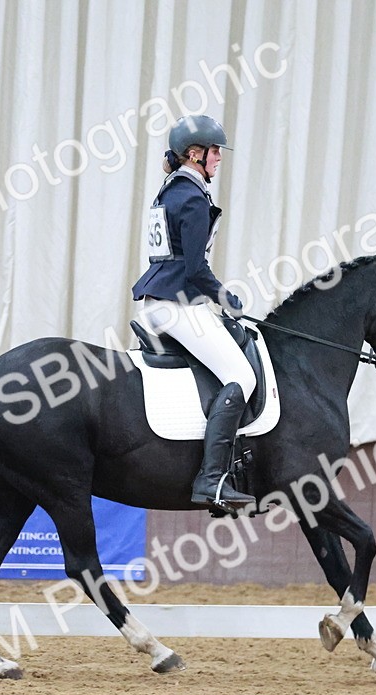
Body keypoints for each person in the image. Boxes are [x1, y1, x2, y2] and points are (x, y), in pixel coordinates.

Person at [131, 114, 256, 512]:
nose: (219, 158)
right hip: (176, 305)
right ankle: (212, 479)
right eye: (214, 151)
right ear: (193, 154)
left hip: (159, 301)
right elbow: (196, 270)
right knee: (242, 376)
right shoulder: (191, 197)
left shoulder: (170, 191)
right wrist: (225, 297)